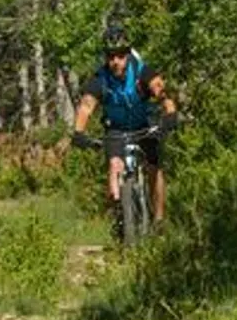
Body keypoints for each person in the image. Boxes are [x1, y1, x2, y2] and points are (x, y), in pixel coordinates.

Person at [72, 23, 178, 223]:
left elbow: (161, 91)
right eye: (111, 56)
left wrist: (170, 114)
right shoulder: (100, 79)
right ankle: (120, 218)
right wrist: (79, 132)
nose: (115, 61)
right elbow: (86, 106)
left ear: (128, 54)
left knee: (154, 168)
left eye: (120, 56)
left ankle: (159, 220)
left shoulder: (141, 71)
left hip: (145, 124)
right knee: (114, 166)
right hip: (116, 129)